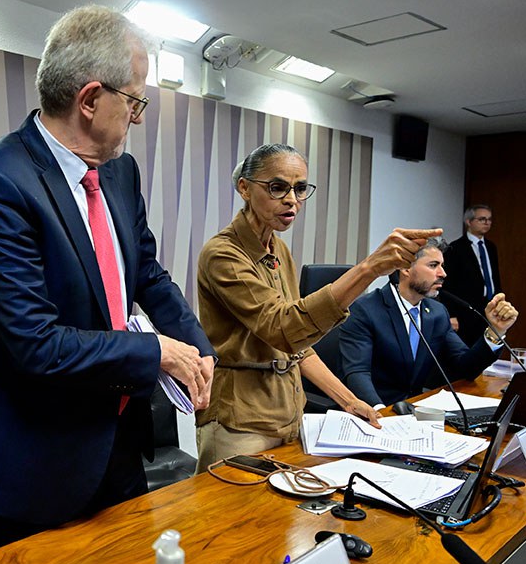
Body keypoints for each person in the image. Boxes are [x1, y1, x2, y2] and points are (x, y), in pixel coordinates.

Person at [0, 6, 216, 545]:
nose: (137, 118)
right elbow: (37, 343)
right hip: (35, 460)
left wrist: (196, 346)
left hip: (116, 442)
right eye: (135, 101)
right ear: (91, 99)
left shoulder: (119, 171)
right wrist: (157, 352)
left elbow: (146, 272)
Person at [194, 143, 441, 471]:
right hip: (239, 421)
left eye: (299, 189)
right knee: (231, 505)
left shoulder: (279, 251)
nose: (292, 200)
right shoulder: (223, 254)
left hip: (287, 415)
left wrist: (349, 401)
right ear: (245, 188)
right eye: (278, 187)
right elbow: (283, 329)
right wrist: (368, 269)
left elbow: (298, 347)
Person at [340, 237, 517, 407]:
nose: (443, 274)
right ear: (405, 268)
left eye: (442, 266)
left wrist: (495, 331)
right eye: (433, 265)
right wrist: (379, 412)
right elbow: (357, 372)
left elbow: (466, 367)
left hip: (416, 411)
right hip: (375, 412)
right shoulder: (365, 310)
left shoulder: (437, 312)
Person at [440, 205, 502, 345]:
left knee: (489, 346)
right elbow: (447, 285)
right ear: (469, 221)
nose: (487, 222)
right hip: (466, 310)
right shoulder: (456, 248)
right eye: (482, 219)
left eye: (489, 219)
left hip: (490, 307)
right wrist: (451, 314)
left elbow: (494, 277)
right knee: (468, 349)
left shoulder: (491, 247)